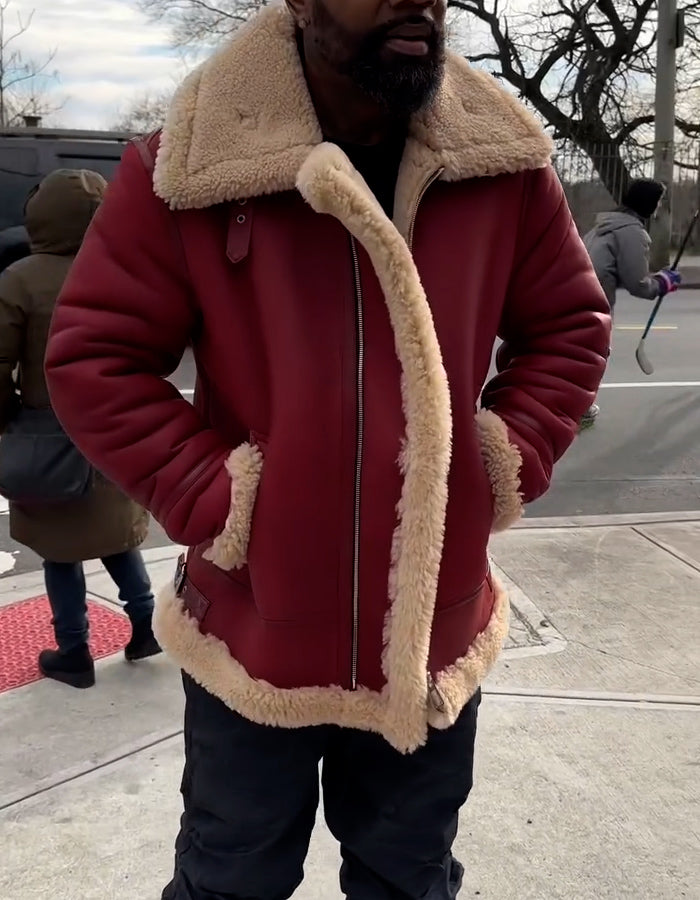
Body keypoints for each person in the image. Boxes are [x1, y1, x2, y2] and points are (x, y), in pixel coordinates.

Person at [45, 2, 610, 897]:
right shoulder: (190, 161)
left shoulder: (501, 160)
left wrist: (500, 462)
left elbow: (571, 326)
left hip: (430, 629)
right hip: (251, 632)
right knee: (230, 880)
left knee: (408, 881)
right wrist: (221, 500)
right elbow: (94, 359)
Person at [0, 170, 161, 690]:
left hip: (48, 430)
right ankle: (145, 627)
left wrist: (9, 416)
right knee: (117, 535)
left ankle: (74, 652)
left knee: (59, 549)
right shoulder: (123, 272)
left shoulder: (19, 280)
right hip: (116, 429)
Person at [581, 177, 682, 427]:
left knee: (579, 351)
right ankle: (580, 408)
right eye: (658, 202)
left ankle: (571, 403)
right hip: (593, 303)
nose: (659, 207)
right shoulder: (633, 233)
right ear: (648, 203)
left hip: (574, 295)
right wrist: (663, 283)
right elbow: (638, 284)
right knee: (595, 353)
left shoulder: (603, 226)